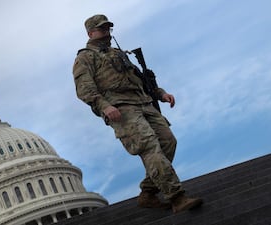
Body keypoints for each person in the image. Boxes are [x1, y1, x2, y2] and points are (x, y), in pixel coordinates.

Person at [72, 14, 203, 213]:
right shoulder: (85, 58)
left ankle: (148, 193)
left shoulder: (118, 53)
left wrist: (160, 93)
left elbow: (140, 78)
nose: (106, 33)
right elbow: (84, 89)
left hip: (144, 102)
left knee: (168, 142)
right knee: (149, 147)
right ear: (91, 33)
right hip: (121, 109)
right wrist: (105, 106)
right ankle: (177, 197)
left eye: (108, 28)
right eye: (101, 29)